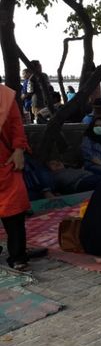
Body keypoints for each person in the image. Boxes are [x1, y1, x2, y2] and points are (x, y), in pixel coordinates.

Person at [0, 84, 47, 270]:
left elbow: (15, 124)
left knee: (14, 213)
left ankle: (18, 256)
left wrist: (19, 149)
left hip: (7, 163)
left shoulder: (3, 95)